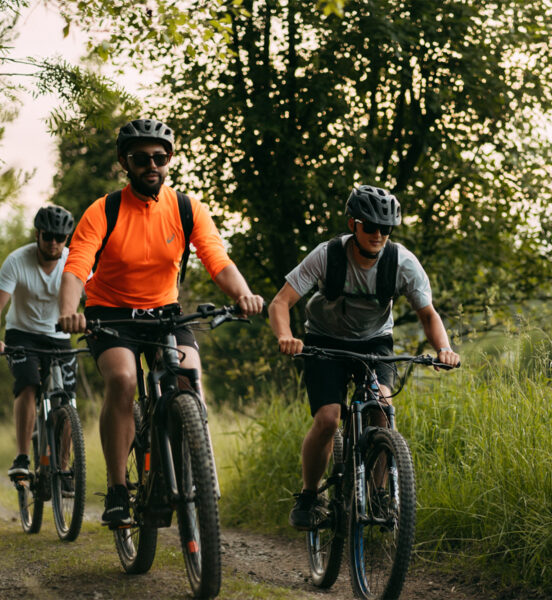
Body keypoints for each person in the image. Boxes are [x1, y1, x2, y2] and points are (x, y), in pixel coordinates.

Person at [57, 118, 263, 529]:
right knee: (123, 380)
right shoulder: (104, 210)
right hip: (111, 313)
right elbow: (77, 266)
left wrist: (242, 294)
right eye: (140, 158)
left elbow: (216, 259)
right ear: (124, 162)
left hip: (165, 312)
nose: (151, 164)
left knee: (188, 373)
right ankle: (118, 489)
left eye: (160, 157)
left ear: (169, 159)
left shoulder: (187, 208)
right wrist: (69, 310)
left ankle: (190, 460)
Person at [268, 184, 460, 530]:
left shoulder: (401, 262)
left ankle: (379, 494)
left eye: (385, 228)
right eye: (370, 226)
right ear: (353, 224)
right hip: (324, 341)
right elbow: (280, 302)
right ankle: (310, 496)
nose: (378, 234)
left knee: (382, 409)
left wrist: (443, 349)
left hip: (374, 343)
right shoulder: (327, 256)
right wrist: (286, 336)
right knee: (328, 418)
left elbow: (428, 314)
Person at [0, 205, 76, 482]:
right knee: (28, 385)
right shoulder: (17, 260)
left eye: (60, 237)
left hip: (59, 336)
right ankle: (22, 456)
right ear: (37, 234)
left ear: (67, 238)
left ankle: (64, 467)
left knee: (68, 398)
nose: (53, 243)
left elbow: (94, 297)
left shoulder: (74, 261)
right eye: (48, 236)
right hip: (22, 333)